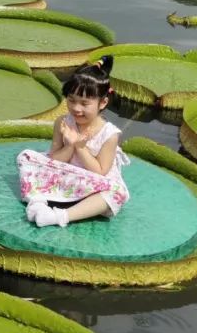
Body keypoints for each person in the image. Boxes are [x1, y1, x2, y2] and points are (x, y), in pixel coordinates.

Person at [16, 56, 128, 228]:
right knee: (26, 158)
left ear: (103, 102)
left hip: (92, 184)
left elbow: (100, 172)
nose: (76, 108)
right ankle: (37, 202)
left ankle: (60, 216)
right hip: (64, 174)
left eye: (84, 103)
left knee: (117, 194)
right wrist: (69, 145)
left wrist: (80, 147)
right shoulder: (62, 122)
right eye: (71, 100)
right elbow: (54, 160)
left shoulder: (110, 134)